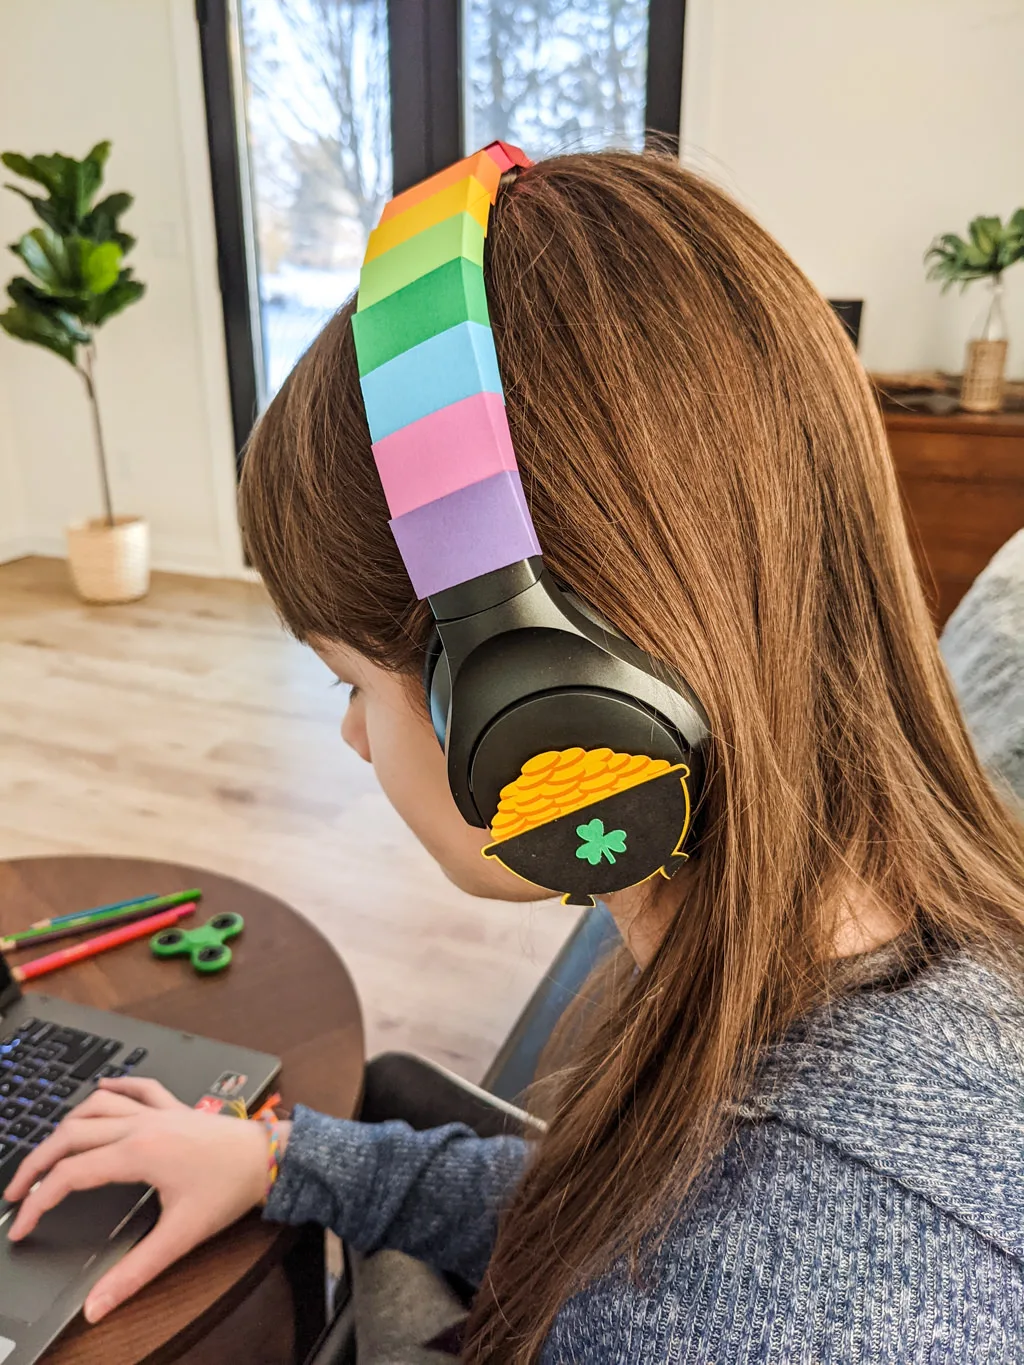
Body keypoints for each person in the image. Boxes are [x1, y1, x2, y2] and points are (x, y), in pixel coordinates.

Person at [5, 150, 1024, 1364]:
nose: (345, 733)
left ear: (542, 709)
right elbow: (630, 1222)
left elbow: (696, 1268)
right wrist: (287, 1156)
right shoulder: (882, 987)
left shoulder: (769, 1312)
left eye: (351, 684)